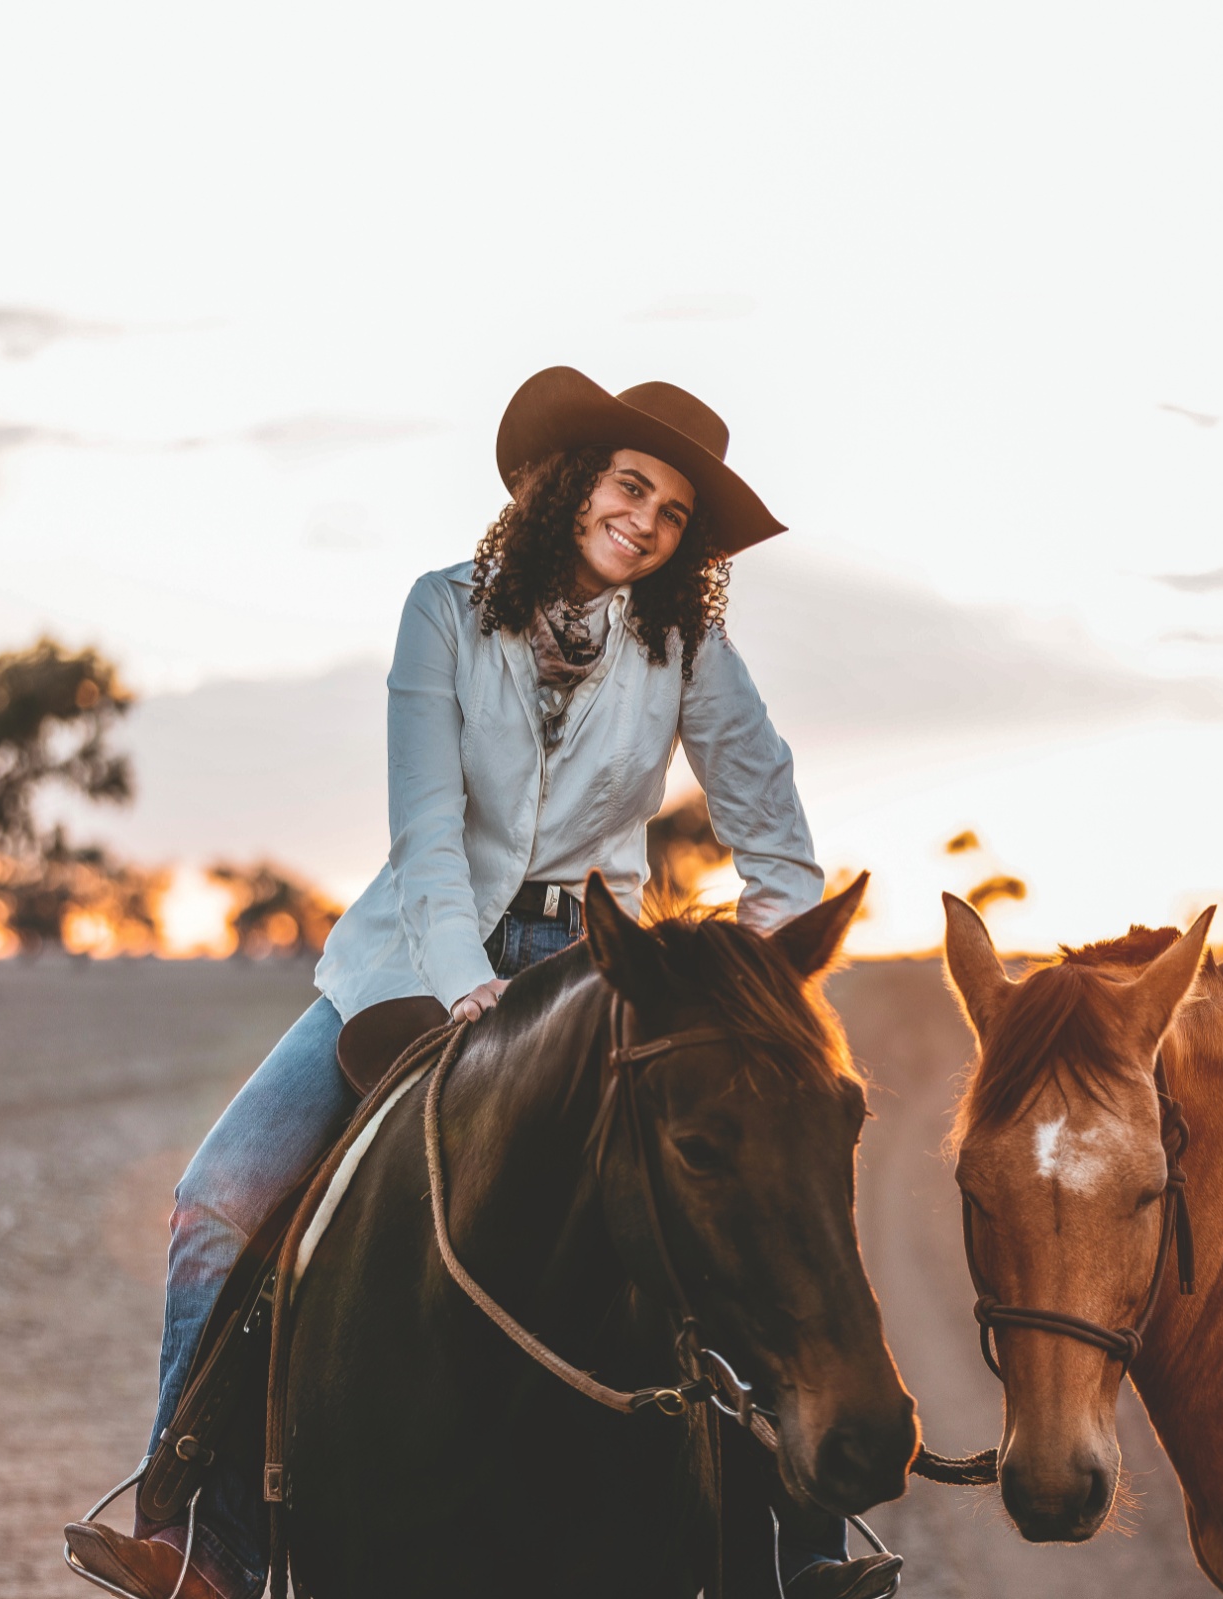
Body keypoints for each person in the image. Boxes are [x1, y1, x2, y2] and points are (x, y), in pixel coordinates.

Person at [63, 368, 901, 1599]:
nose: (647, 520)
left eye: (674, 511)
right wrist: (465, 981)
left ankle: (802, 1550)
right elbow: (427, 824)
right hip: (412, 952)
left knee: (722, 1208)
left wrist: (762, 983)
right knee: (220, 1201)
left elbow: (770, 826)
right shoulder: (442, 611)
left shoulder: (686, 648)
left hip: (601, 969)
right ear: (573, 483)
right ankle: (209, 1541)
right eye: (632, 486)